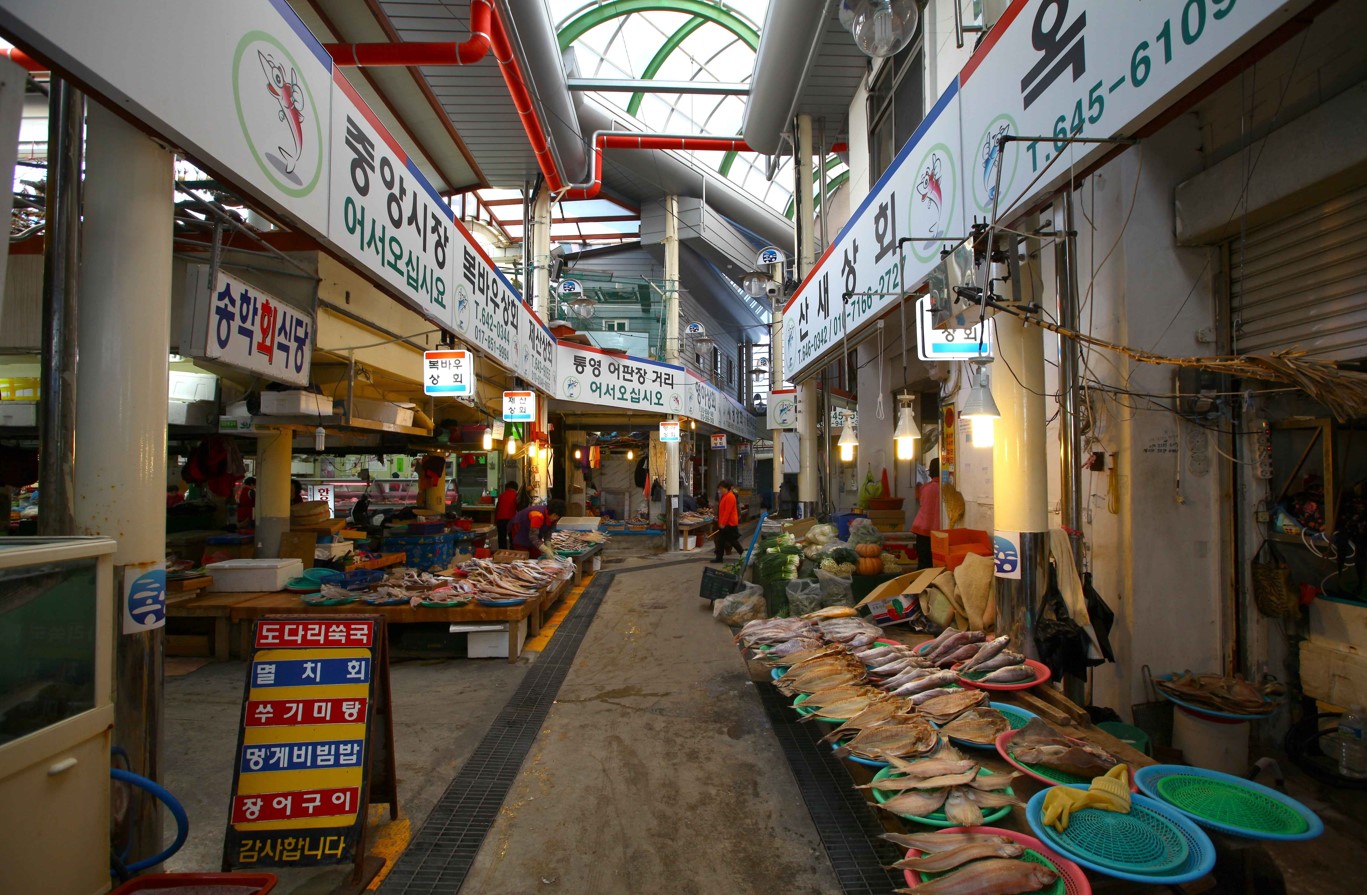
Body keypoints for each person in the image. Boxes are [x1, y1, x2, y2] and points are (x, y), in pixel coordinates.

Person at [912, 458, 941, 569]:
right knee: (937, 564)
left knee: (924, 563)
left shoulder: (925, 488)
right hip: (939, 532)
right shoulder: (947, 488)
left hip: (922, 529)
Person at [714, 480, 742, 564]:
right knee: (721, 541)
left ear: (726, 488)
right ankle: (719, 558)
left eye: (721, 488)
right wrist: (719, 519)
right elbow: (722, 510)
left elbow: (727, 511)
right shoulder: (725, 496)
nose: (720, 490)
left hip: (729, 523)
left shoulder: (730, 496)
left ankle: (744, 554)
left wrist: (722, 523)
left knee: (733, 541)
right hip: (725, 523)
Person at [495, 481, 519, 549]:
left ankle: (502, 552)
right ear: (516, 488)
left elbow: (497, 508)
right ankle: (513, 552)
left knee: (502, 538)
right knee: (512, 538)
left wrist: (495, 520)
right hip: (511, 519)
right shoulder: (516, 495)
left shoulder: (501, 495)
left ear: (506, 488)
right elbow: (518, 508)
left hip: (500, 519)